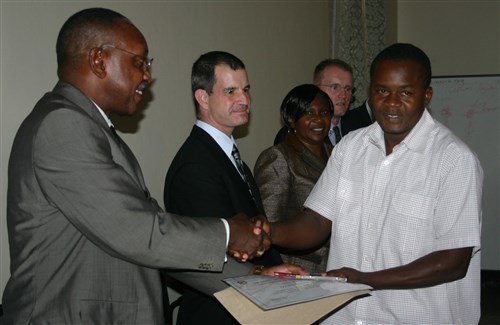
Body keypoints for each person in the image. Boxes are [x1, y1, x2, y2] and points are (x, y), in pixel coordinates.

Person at [1, 8, 271, 324]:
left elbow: (155, 244)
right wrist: (228, 233)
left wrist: (258, 281)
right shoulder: (62, 124)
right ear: (99, 60)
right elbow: (137, 232)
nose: (147, 76)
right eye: (140, 62)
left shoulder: (94, 130)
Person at [268, 43, 483, 324]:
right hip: (344, 316)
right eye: (382, 91)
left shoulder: (454, 161)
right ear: (370, 93)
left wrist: (365, 280)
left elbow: (454, 261)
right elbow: (317, 223)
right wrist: (264, 232)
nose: (392, 103)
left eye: (405, 92)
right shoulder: (350, 148)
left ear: (426, 95)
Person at [163, 51, 290, 324]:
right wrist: (266, 275)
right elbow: (209, 255)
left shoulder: (228, 156)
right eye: (230, 91)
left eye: (245, 90)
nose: (244, 100)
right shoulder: (195, 166)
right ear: (203, 97)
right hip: (218, 313)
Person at [254, 84, 333, 273]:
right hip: (300, 269)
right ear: (291, 119)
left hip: (341, 262)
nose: (318, 119)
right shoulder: (278, 158)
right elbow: (270, 227)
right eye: (308, 113)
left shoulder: (337, 154)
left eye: (323, 112)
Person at [274, 59, 356, 145]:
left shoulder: (357, 129)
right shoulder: (292, 135)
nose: (343, 95)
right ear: (317, 90)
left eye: (348, 89)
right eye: (335, 87)